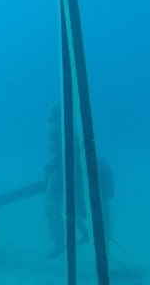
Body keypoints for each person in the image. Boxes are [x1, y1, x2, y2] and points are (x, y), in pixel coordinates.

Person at [43, 103, 114, 257]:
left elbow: (67, 150)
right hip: (69, 170)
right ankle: (86, 232)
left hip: (66, 172)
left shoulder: (56, 128)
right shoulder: (65, 129)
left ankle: (60, 241)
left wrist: (51, 165)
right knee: (75, 207)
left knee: (52, 206)